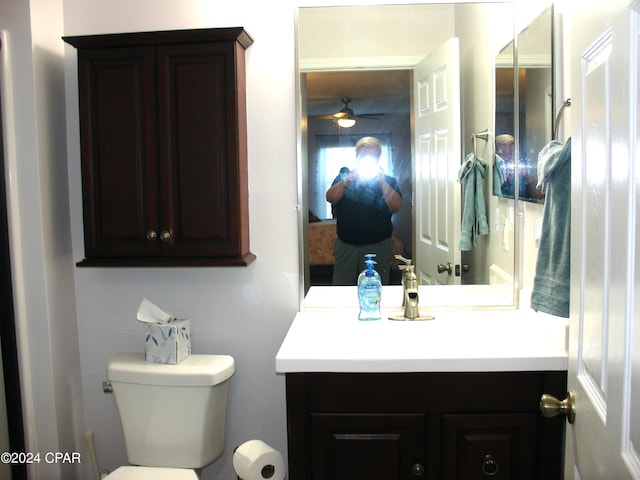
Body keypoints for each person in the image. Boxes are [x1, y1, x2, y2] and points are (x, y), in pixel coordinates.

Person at [326, 136, 402, 285]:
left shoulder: (388, 181)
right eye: (363, 155)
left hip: (378, 247)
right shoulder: (344, 179)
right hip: (346, 246)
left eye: (371, 155)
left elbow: (396, 207)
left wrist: (382, 182)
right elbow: (330, 197)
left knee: (375, 291)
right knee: (342, 290)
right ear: (357, 156)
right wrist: (347, 181)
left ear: (378, 157)